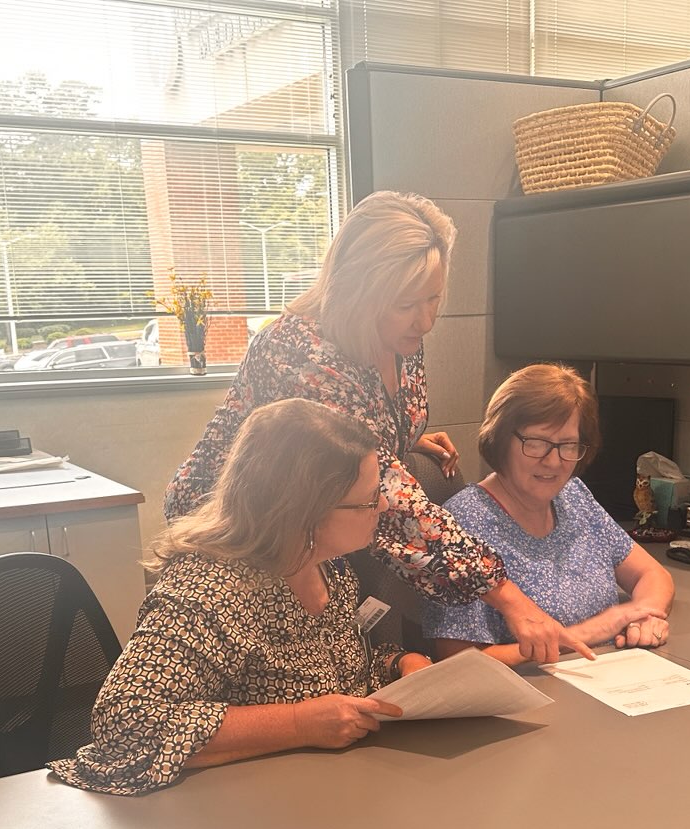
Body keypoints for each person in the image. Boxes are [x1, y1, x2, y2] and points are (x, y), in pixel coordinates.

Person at [162, 190, 589, 663]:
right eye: (407, 304)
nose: (425, 321)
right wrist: (509, 598)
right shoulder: (302, 352)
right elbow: (388, 500)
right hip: (247, 533)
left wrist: (404, 436)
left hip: (318, 522)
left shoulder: (398, 335)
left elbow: (362, 424)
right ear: (358, 291)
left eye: (434, 299)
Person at [53, 400, 430, 796]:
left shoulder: (327, 565)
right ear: (304, 512)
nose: (384, 506)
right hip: (236, 817)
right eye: (370, 500)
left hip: (329, 791)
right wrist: (298, 723)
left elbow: (333, 679)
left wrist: (399, 663)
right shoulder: (208, 591)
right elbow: (126, 721)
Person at [424, 364, 674, 664]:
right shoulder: (465, 522)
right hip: (534, 697)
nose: (554, 461)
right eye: (538, 443)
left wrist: (644, 617)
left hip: (612, 679)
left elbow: (652, 574)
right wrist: (585, 635)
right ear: (501, 437)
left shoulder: (573, 496)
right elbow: (456, 660)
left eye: (568, 446)